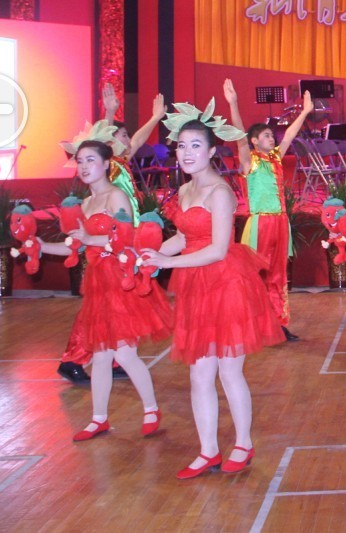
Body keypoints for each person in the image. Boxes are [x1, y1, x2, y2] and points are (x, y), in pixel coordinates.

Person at [139, 106, 282, 479]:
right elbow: (184, 237)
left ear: (212, 151)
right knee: (199, 375)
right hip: (196, 286)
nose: (186, 153)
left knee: (229, 372)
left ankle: (243, 443)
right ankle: (208, 451)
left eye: (195, 146)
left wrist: (167, 263)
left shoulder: (220, 192)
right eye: (181, 146)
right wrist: (151, 255)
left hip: (226, 284)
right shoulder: (185, 190)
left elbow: (218, 249)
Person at [37, 139, 171, 442]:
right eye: (79, 161)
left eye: (90, 160)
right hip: (98, 282)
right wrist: (42, 246)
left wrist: (89, 239)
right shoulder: (85, 204)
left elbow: (127, 239)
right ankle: (98, 419)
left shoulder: (116, 196)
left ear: (107, 164)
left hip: (119, 279)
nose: (84, 166)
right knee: (99, 355)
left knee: (124, 353)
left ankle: (151, 409)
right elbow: (75, 245)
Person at [58, 94, 166, 385]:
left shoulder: (121, 162)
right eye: (123, 135)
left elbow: (135, 141)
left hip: (123, 244)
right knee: (99, 312)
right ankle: (74, 359)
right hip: (109, 247)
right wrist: (108, 113)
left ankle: (115, 359)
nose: (128, 139)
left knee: (117, 312)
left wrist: (155, 118)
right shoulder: (109, 167)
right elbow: (98, 141)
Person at [223, 79, 315, 342]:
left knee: (278, 275)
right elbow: (239, 136)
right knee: (257, 275)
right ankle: (253, 323)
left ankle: (277, 324)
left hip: (280, 223)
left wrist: (305, 112)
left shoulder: (275, 158)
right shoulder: (248, 160)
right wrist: (233, 104)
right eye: (265, 135)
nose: (271, 138)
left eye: (270, 135)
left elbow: (289, 135)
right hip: (260, 223)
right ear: (254, 141)